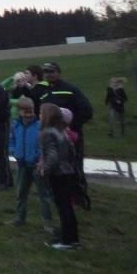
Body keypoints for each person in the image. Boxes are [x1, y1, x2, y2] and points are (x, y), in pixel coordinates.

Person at [38, 62, 93, 174]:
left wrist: (70, 126)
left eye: (52, 71)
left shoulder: (70, 89)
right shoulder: (45, 93)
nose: (49, 75)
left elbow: (87, 110)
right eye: (46, 72)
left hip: (70, 137)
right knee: (54, 168)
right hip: (51, 138)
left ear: (58, 73)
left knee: (73, 168)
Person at [38, 103, 80, 250]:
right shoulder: (62, 131)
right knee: (67, 206)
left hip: (58, 174)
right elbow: (71, 152)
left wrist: (44, 169)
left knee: (63, 207)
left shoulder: (48, 133)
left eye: (41, 113)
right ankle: (71, 237)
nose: (39, 116)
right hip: (67, 171)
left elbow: (52, 155)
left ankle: (67, 241)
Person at [8, 97, 53, 229]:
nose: (28, 114)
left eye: (30, 110)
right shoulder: (15, 125)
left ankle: (47, 221)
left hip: (37, 166)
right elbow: (11, 141)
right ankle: (20, 217)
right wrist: (14, 151)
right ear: (19, 111)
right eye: (25, 111)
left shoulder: (40, 126)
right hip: (22, 164)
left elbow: (44, 145)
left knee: (43, 194)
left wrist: (38, 157)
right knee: (21, 193)